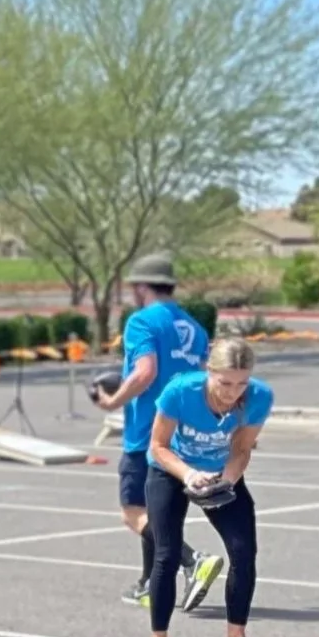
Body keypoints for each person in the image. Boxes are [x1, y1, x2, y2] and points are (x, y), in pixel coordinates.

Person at [91, 252, 211, 613]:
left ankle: (192, 560)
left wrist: (113, 401)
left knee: (132, 513)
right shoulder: (196, 328)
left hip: (147, 433)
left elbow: (145, 372)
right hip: (183, 434)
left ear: (142, 286)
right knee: (155, 511)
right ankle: (149, 584)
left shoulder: (142, 322)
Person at [143, 334, 272, 637]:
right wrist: (188, 475)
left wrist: (226, 481)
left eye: (241, 384)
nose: (232, 392)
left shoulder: (259, 396)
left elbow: (241, 449)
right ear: (208, 371)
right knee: (167, 555)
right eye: (224, 383)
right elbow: (158, 447)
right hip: (171, 469)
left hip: (220, 471)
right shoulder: (180, 391)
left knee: (243, 552)